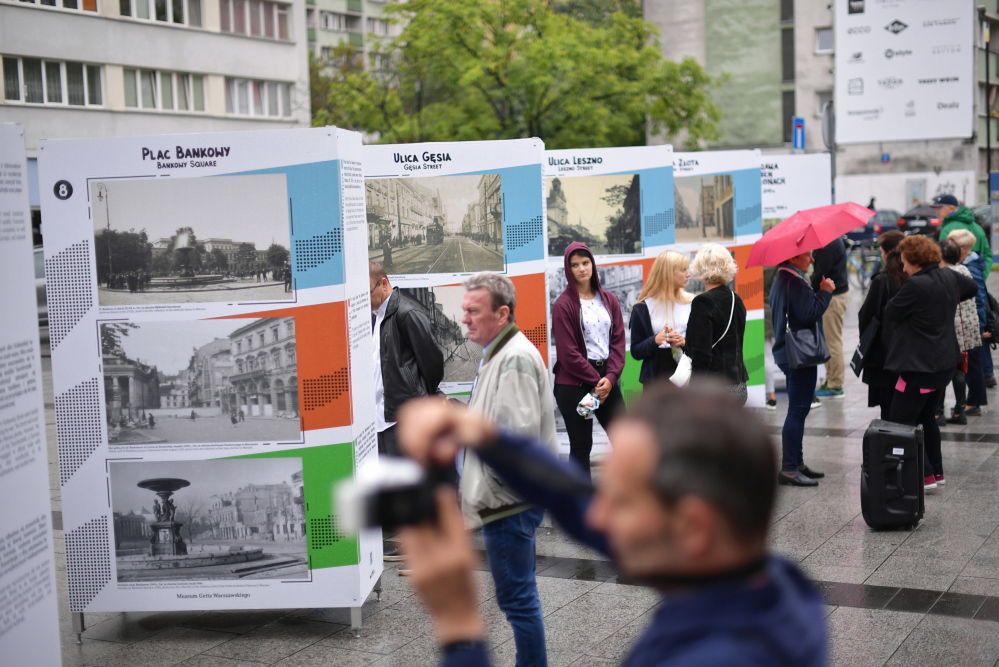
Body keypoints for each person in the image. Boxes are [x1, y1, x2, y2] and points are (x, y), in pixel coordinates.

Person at [395, 382, 827, 667]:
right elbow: (575, 500)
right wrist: (483, 436)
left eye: (620, 501)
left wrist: (459, 627)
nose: (598, 517)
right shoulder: (775, 583)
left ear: (695, 528)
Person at [460, 272, 555, 667]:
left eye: (474, 311)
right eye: (464, 310)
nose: (465, 319)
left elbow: (515, 440)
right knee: (518, 596)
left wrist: (491, 491)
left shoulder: (513, 357)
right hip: (508, 500)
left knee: (518, 600)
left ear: (502, 314)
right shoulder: (502, 352)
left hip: (507, 503)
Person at [883, 235, 977, 491]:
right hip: (944, 363)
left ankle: (923, 475)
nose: (902, 267)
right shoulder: (949, 276)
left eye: (904, 261)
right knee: (927, 416)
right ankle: (936, 472)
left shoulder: (916, 286)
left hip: (919, 367)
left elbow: (891, 312)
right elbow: (973, 288)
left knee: (900, 421)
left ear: (914, 260)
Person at [370, 261, 444, 561]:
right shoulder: (380, 314)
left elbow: (433, 361)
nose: (364, 299)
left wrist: (419, 396)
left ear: (384, 283)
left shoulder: (406, 312)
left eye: (367, 292)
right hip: (385, 411)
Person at [552, 242, 626, 476]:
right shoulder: (563, 305)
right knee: (582, 446)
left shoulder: (609, 300)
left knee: (625, 440)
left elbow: (618, 342)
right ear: (568, 269)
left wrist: (611, 378)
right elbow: (567, 353)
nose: (582, 268)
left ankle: (631, 500)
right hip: (577, 386)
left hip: (606, 382)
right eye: (575, 265)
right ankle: (579, 507)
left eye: (585, 263)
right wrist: (597, 381)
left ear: (592, 264)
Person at [771, 251, 835, 487]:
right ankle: (789, 468)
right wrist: (825, 293)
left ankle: (796, 462)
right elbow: (810, 313)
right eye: (807, 255)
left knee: (800, 409)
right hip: (798, 355)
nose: (812, 259)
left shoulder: (784, 279)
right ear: (793, 257)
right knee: (797, 410)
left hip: (789, 352)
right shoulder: (794, 282)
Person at [686, 244, 749, 402]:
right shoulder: (737, 299)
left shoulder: (702, 302)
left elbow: (701, 354)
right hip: (738, 384)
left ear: (700, 267)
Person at [857, 231, 906, 419]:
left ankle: (892, 447)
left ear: (886, 253)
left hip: (883, 357)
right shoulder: (912, 275)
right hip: (908, 356)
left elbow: (866, 316)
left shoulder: (883, 280)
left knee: (888, 409)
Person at [629, 250, 691, 388]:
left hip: (687, 379)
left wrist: (683, 342)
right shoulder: (642, 307)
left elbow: (702, 346)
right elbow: (636, 351)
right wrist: (655, 340)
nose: (689, 274)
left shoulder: (692, 303)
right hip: (655, 383)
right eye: (683, 270)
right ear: (668, 274)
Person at [938, 238, 981, 426]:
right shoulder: (965, 270)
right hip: (967, 330)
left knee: (943, 371)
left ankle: (938, 412)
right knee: (959, 370)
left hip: (952, 330)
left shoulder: (944, 274)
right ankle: (960, 410)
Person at [947, 229, 990, 417]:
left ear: (963, 248)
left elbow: (979, 297)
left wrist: (981, 325)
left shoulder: (969, 266)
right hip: (968, 323)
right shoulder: (965, 263)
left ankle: (974, 402)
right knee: (971, 363)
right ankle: (972, 401)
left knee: (971, 364)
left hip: (970, 324)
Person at [812, 237, 849, 399]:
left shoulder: (828, 244)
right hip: (833, 294)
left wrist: (808, 286)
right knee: (829, 340)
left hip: (833, 297)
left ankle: (835, 384)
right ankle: (831, 379)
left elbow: (821, 272)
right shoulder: (833, 240)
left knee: (832, 341)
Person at [933, 194, 992, 278]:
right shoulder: (978, 227)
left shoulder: (948, 229)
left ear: (951, 208)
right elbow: (987, 255)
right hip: (976, 279)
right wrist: (981, 275)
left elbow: (943, 259)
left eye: (939, 208)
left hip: (954, 281)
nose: (936, 212)